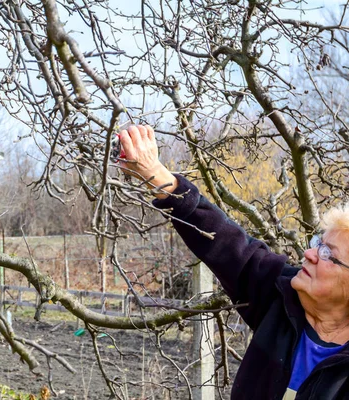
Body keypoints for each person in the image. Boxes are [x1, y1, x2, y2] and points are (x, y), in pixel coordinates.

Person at [118, 125, 349, 399]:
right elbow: (225, 242)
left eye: (327, 254)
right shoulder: (280, 296)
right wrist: (155, 175)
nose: (310, 254)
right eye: (317, 244)